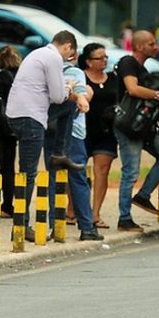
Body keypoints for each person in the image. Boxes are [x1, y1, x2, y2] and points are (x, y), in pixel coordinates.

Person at [6, 30, 88, 241]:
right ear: (68, 46)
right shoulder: (53, 58)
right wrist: (71, 88)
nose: (68, 58)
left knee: (26, 172)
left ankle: (60, 152)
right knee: (28, 174)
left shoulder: (38, 53)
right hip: (30, 117)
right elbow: (58, 96)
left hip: (17, 114)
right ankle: (21, 226)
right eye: (70, 54)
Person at [113, 30, 159, 232]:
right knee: (130, 172)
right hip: (128, 125)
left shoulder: (144, 70)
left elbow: (151, 98)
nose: (156, 47)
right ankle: (124, 218)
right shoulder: (127, 63)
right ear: (139, 46)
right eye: (152, 44)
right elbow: (132, 89)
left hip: (145, 125)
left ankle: (143, 195)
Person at [43, 55, 102, 241]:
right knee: (78, 179)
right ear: (74, 55)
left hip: (49, 130)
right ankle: (87, 227)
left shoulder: (46, 72)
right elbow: (82, 99)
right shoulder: (76, 72)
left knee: (53, 180)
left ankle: (55, 227)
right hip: (73, 133)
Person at [79, 43, 118, 230]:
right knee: (77, 170)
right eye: (99, 58)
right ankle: (73, 210)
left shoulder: (113, 79)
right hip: (83, 130)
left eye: (105, 58)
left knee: (101, 172)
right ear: (88, 62)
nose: (103, 61)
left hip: (107, 132)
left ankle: (95, 214)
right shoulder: (80, 77)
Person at [0, 45, 21, 218]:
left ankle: (3, 203)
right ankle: (9, 204)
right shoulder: (20, 77)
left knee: (0, 166)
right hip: (13, 126)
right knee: (9, 166)